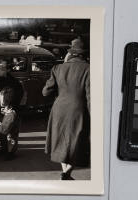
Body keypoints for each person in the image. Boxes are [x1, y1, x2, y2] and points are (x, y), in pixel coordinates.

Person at [42, 38, 90, 180]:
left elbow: (45, 92)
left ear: (70, 53)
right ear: (83, 54)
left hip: (59, 109)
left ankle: (66, 174)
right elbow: (90, 95)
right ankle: (66, 173)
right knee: (77, 142)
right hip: (78, 109)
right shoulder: (89, 69)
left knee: (62, 142)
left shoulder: (57, 68)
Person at [0, 87, 20, 160]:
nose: (2, 102)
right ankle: (5, 150)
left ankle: (10, 153)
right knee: (3, 133)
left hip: (10, 115)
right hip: (8, 114)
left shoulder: (12, 112)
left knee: (10, 135)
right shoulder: (5, 105)